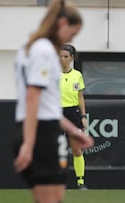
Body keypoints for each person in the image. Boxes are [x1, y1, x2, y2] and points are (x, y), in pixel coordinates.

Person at [13, 1, 94, 203]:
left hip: (39, 126)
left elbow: (44, 102)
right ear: (63, 23)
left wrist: (74, 130)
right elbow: (34, 98)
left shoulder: (28, 45)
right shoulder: (44, 50)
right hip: (42, 131)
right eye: (73, 34)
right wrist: (29, 143)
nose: (71, 39)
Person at [60, 44, 88, 189]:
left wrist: (83, 116)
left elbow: (80, 97)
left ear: (71, 58)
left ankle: (80, 182)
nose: (62, 59)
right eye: (60, 56)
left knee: (77, 149)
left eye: (65, 56)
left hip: (73, 113)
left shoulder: (77, 75)